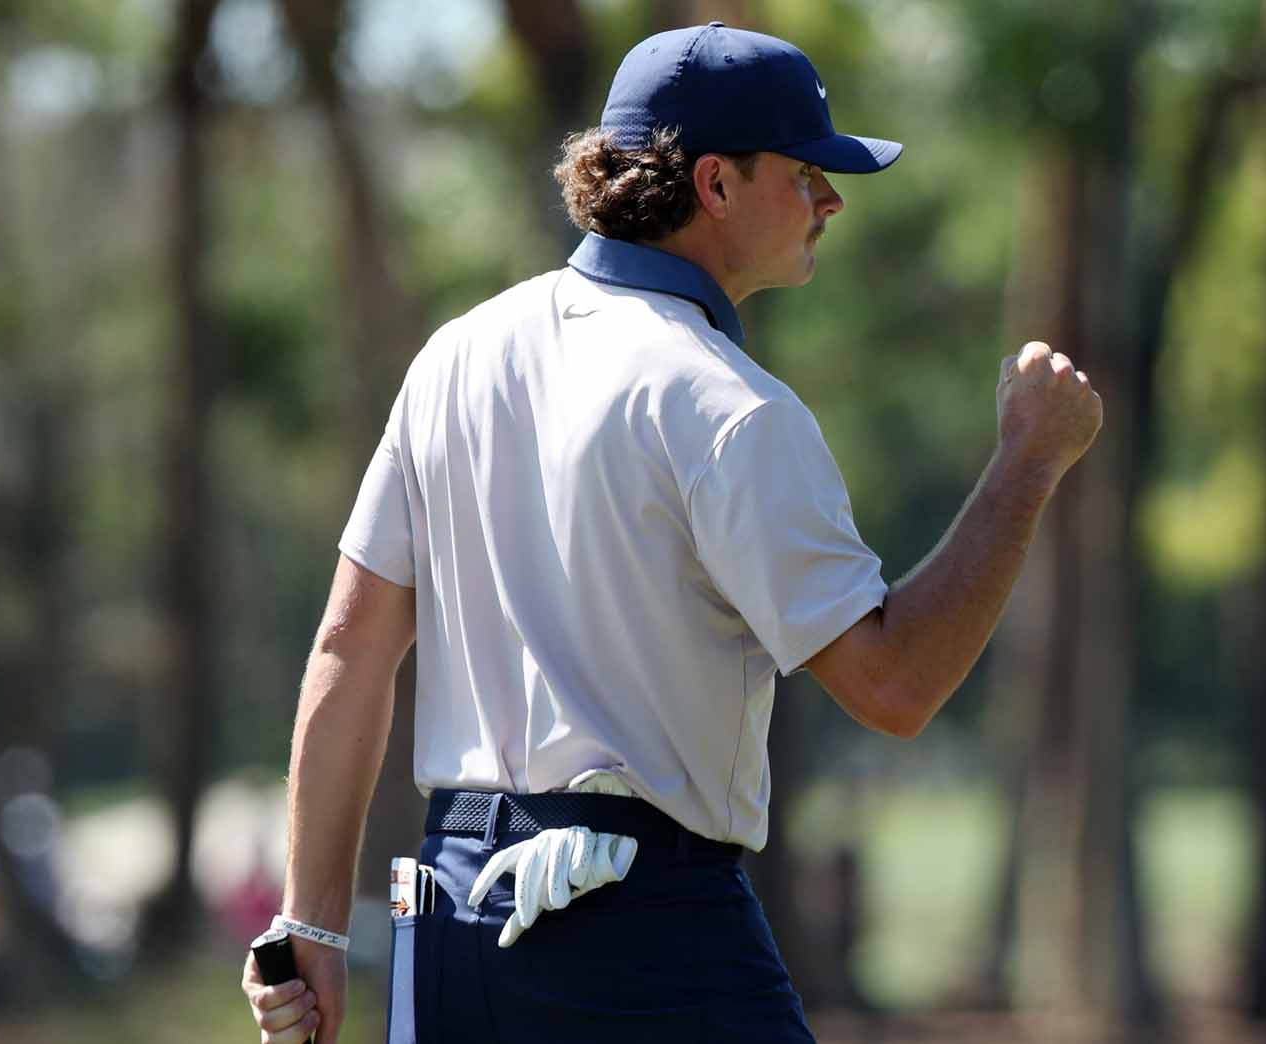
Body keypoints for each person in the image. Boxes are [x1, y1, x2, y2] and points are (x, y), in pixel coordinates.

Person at [242, 21, 1102, 1044]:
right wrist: (1026, 463)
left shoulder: (455, 359)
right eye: (805, 171)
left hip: (451, 928)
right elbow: (894, 686)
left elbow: (350, 647)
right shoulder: (727, 405)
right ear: (716, 185)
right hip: (634, 928)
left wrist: (310, 926)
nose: (829, 199)